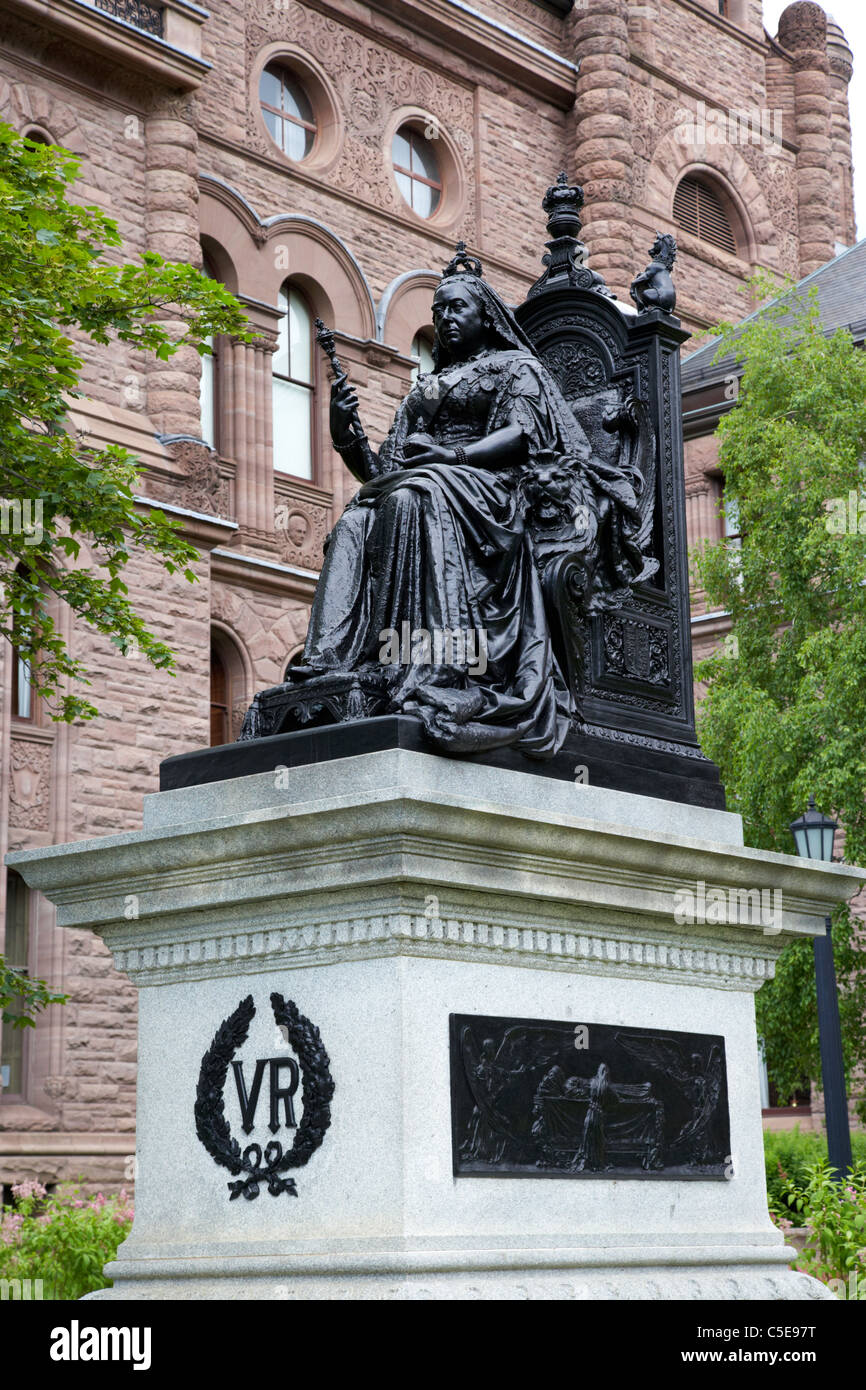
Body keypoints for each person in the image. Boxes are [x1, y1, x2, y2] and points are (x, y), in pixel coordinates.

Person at [287, 245, 648, 757]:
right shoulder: (425, 386)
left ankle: (431, 661)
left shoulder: (515, 367)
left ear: (485, 316)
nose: (446, 318)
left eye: (457, 308)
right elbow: (380, 472)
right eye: (439, 311)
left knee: (416, 494)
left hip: (492, 488)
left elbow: (523, 434)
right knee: (355, 519)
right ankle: (329, 662)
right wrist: (345, 433)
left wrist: (450, 455)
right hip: (428, 481)